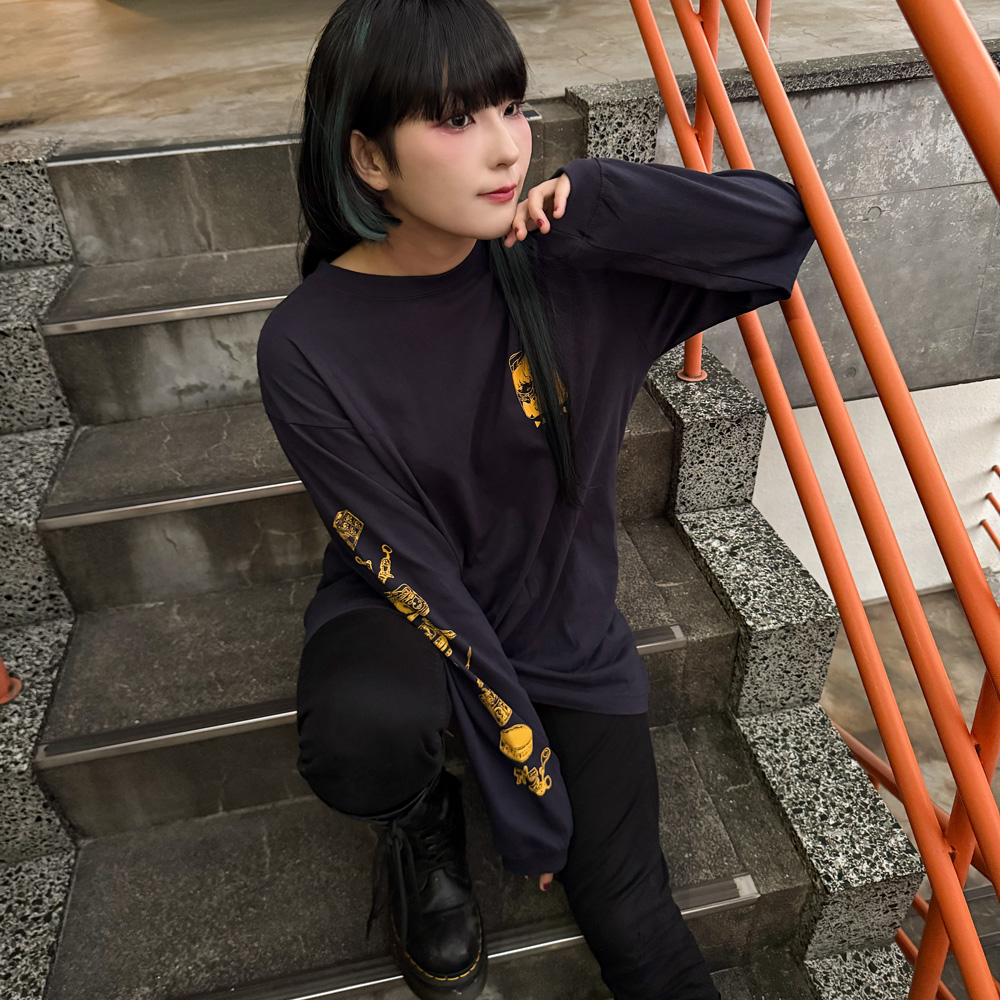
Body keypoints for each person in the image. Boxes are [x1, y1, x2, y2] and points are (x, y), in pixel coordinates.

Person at [255, 1, 815, 997]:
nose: (507, 147)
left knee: (633, 918)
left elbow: (779, 229)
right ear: (370, 158)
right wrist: (527, 779)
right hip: (407, 610)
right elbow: (414, 570)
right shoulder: (308, 343)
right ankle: (418, 818)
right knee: (364, 725)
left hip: (564, 627)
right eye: (455, 119)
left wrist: (601, 197)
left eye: (510, 107)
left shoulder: (567, 267)